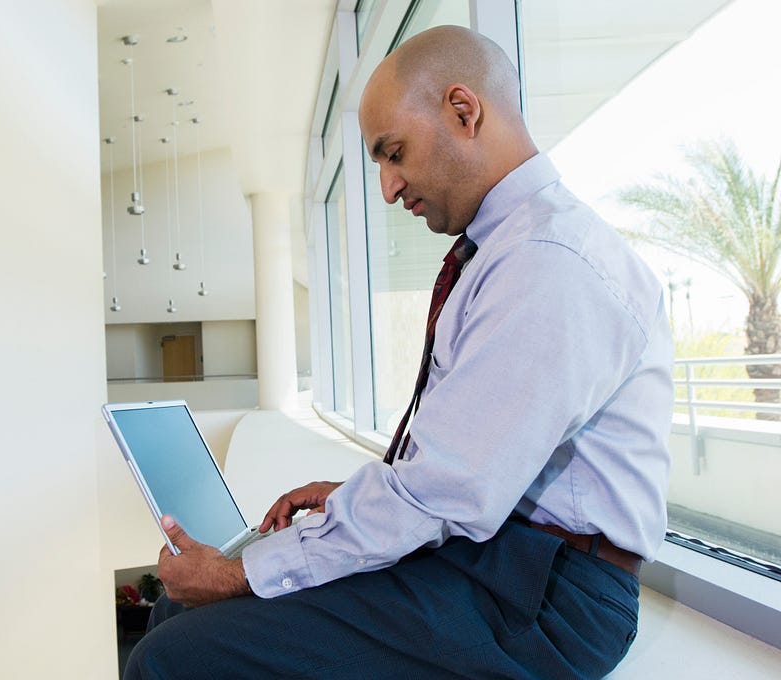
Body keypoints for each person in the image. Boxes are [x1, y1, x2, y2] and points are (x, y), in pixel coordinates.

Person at [124, 24, 673, 679]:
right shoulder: (507, 254)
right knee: (173, 617)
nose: (387, 188)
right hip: (498, 556)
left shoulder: (546, 265)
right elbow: (460, 471)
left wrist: (240, 573)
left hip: (547, 599)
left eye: (394, 153)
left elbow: (441, 496)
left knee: (172, 655)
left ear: (463, 111)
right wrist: (354, 499)